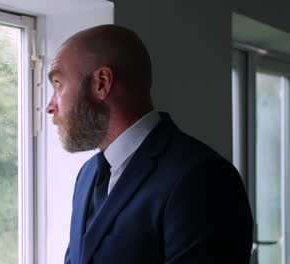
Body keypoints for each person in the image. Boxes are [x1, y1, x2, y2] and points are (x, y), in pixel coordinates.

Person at [45, 24, 254, 264]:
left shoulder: (204, 178)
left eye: (59, 84)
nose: (50, 105)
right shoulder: (87, 175)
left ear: (102, 83)